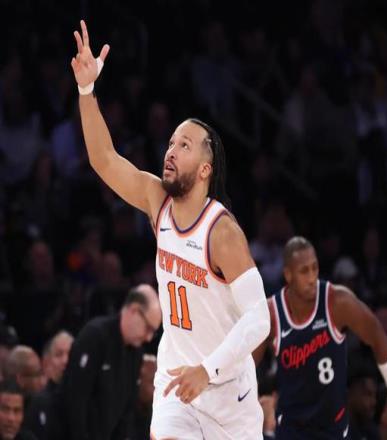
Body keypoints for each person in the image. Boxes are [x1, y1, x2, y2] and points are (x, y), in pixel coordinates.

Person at [70, 20, 270, 439]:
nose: (171, 150)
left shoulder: (221, 232)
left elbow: (259, 320)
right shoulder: (156, 200)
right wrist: (87, 90)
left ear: (205, 169)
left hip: (227, 396)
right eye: (171, 142)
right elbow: (104, 160)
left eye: (184, 145)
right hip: (176, 383)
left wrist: (207, 370)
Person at [253, 236, 387, 439]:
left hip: (332, 429)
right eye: (304, 271)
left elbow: (378, 337)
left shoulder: (337, 302)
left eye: (314, 268)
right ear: (288, 274)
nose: (311, 277)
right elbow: (246, 367)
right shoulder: (271, 314)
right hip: (291, 429)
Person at [59, 284, 162, 440]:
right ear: (134, 310)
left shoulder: (136, 353)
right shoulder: (95, 336)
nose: (148, 338)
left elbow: (127, 411)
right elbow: (75, 400)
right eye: (148, 328)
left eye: (153, 332)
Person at [24, 331, 74, 440]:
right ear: (46, 363)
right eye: (59, 355)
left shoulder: (86, 400)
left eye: (70, 354)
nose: (65, 360)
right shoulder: (37, 404)